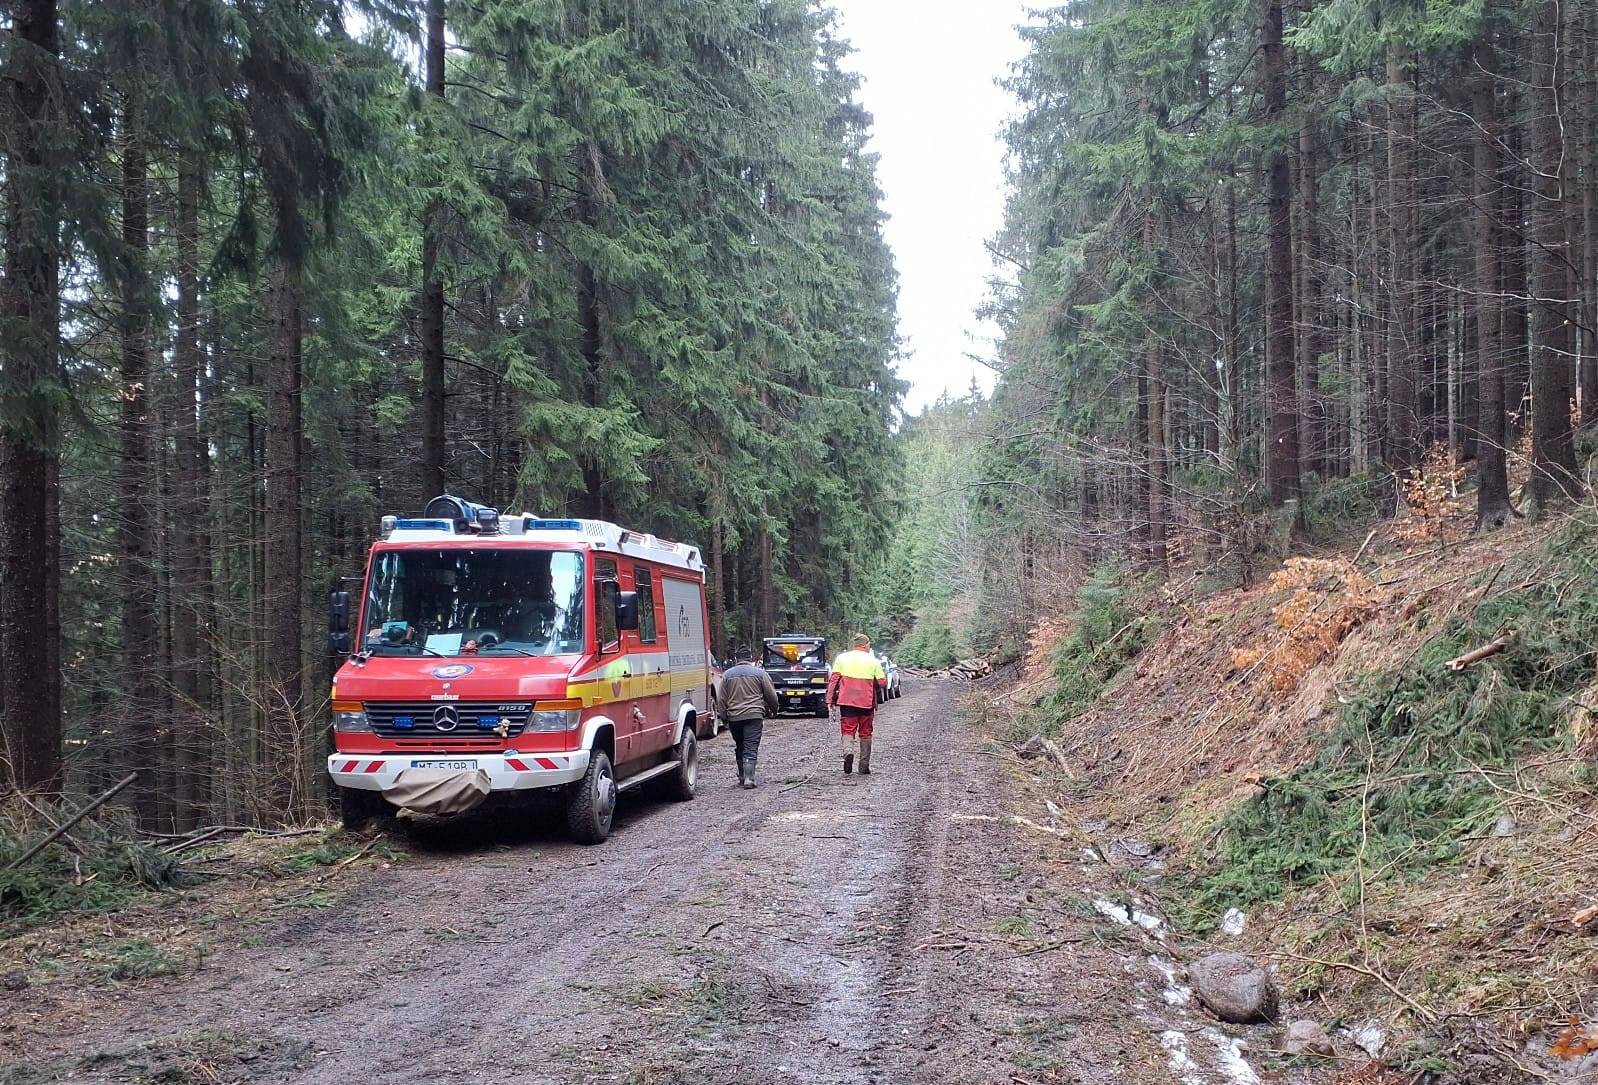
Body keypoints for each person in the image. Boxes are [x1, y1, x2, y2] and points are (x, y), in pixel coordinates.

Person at [715, 645, 778, 789]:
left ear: (737, 658)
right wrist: (774, 710)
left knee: (740, 745)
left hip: (734, 717)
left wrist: (724, 716)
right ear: (750, 658)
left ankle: (742, 775)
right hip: (754, 715)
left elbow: (721, 699)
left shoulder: (727, 675)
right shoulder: (760, 673)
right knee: (751, 746)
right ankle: (749, 778)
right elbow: (771, 695)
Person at [826, 633, 887, 776]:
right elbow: (883, 683)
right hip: (866, 702)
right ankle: (864, 766)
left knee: (848, 730)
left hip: (847, 701)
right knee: (866, 732)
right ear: (866, 645)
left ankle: (848, 752)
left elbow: (834, 680)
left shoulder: (842, 658)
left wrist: (830, 700)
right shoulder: (874, 661)